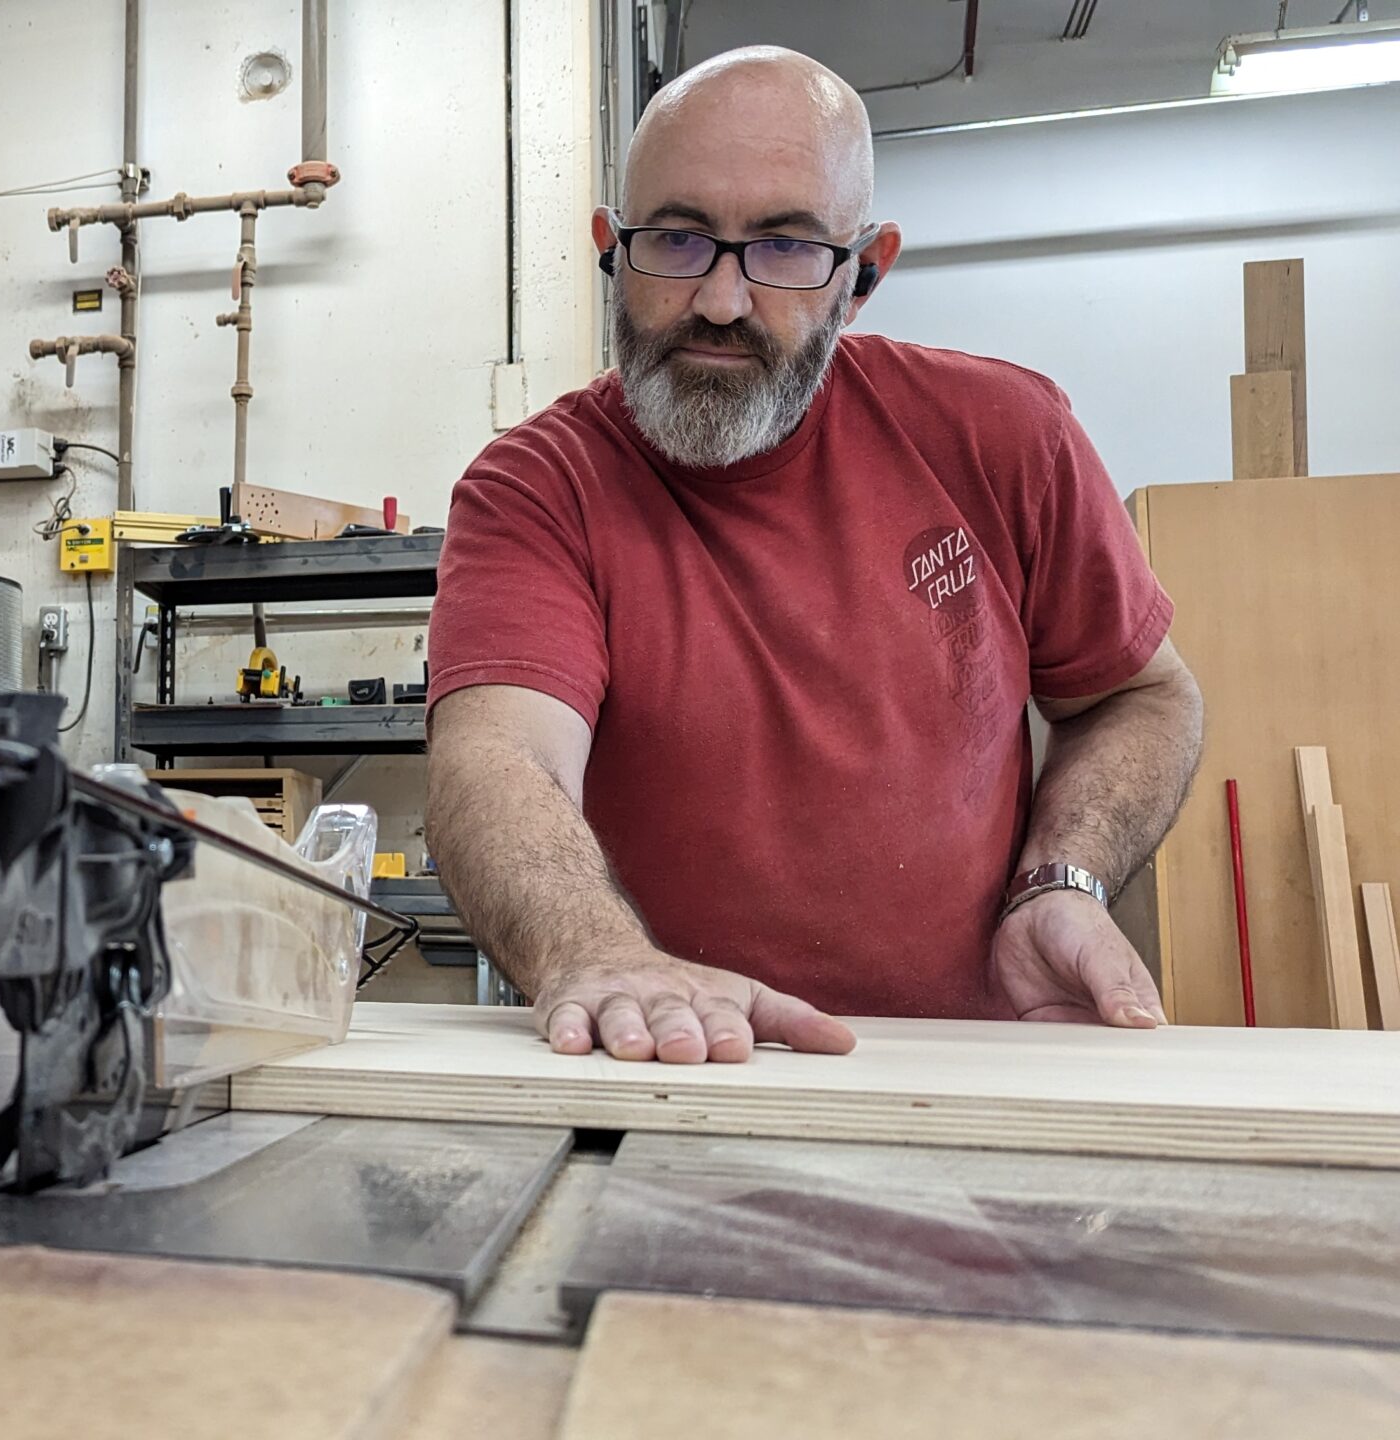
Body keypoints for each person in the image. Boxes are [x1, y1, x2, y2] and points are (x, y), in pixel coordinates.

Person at [424, 46, 1203, 1064]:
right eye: (678, 239)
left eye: (784, 250)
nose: (719, 301)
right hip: (668, 1069)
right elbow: (501, 755)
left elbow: (1139, 695)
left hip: (965, 1078)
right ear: (610, 249)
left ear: (864, 273)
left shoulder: (1005, 438)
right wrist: (596, 953)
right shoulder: (537, 485)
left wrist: (1062, 878)